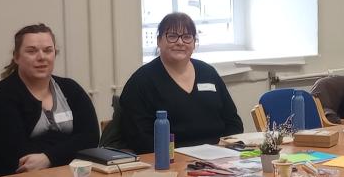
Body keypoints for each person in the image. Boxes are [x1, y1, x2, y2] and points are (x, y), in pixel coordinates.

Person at [102, 12, 242, 152]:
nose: (180, 42)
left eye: (187, 37)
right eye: (172, 36)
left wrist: (222, 151)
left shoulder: (209, 73)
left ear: (194, 42)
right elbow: (140, 139)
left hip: (220, 157)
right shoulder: (141, 81)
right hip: (168, 160)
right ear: (159, 41)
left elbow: (234, 123)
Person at [0, 24, 99, 177]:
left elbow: (91, 137)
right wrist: (70, 144)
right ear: (16, 56)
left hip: (66, 176)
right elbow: (18, 156)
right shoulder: (2, 95)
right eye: (32, 51)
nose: (41, 57)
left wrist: (48, 157)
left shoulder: (70, 89)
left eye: (48, 50)